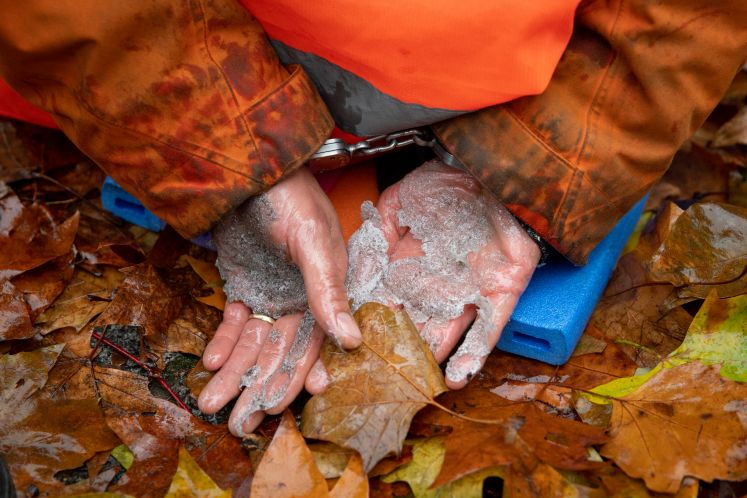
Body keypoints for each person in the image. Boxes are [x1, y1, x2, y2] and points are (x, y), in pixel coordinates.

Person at [1, 0, 745, 437]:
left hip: (518, 82)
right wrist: (219, 144)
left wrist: (548, 156)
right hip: (165, 61)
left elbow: (687, 19)